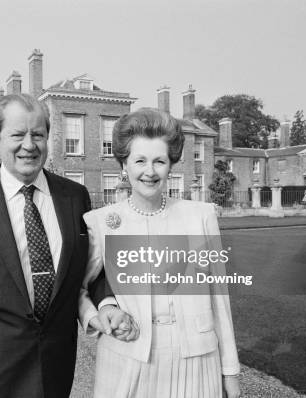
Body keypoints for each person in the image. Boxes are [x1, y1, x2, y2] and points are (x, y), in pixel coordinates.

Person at [0, 93, 133, 398]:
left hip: (54, 368)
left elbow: (90, 269)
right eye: (18, 134)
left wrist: (108, 304)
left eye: (38, 134)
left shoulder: (74, 198)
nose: (29, 145)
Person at [79, 108, 241, 398]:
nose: (150, 171)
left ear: (171, 164)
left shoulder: (201, 217)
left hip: (196, 359)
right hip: (127, 356)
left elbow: (220, 298)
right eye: (139, 160)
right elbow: (78, 289)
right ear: (124, 165)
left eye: (159, 161)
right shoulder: (100, 222)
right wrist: (100, 313)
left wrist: (230, 371)